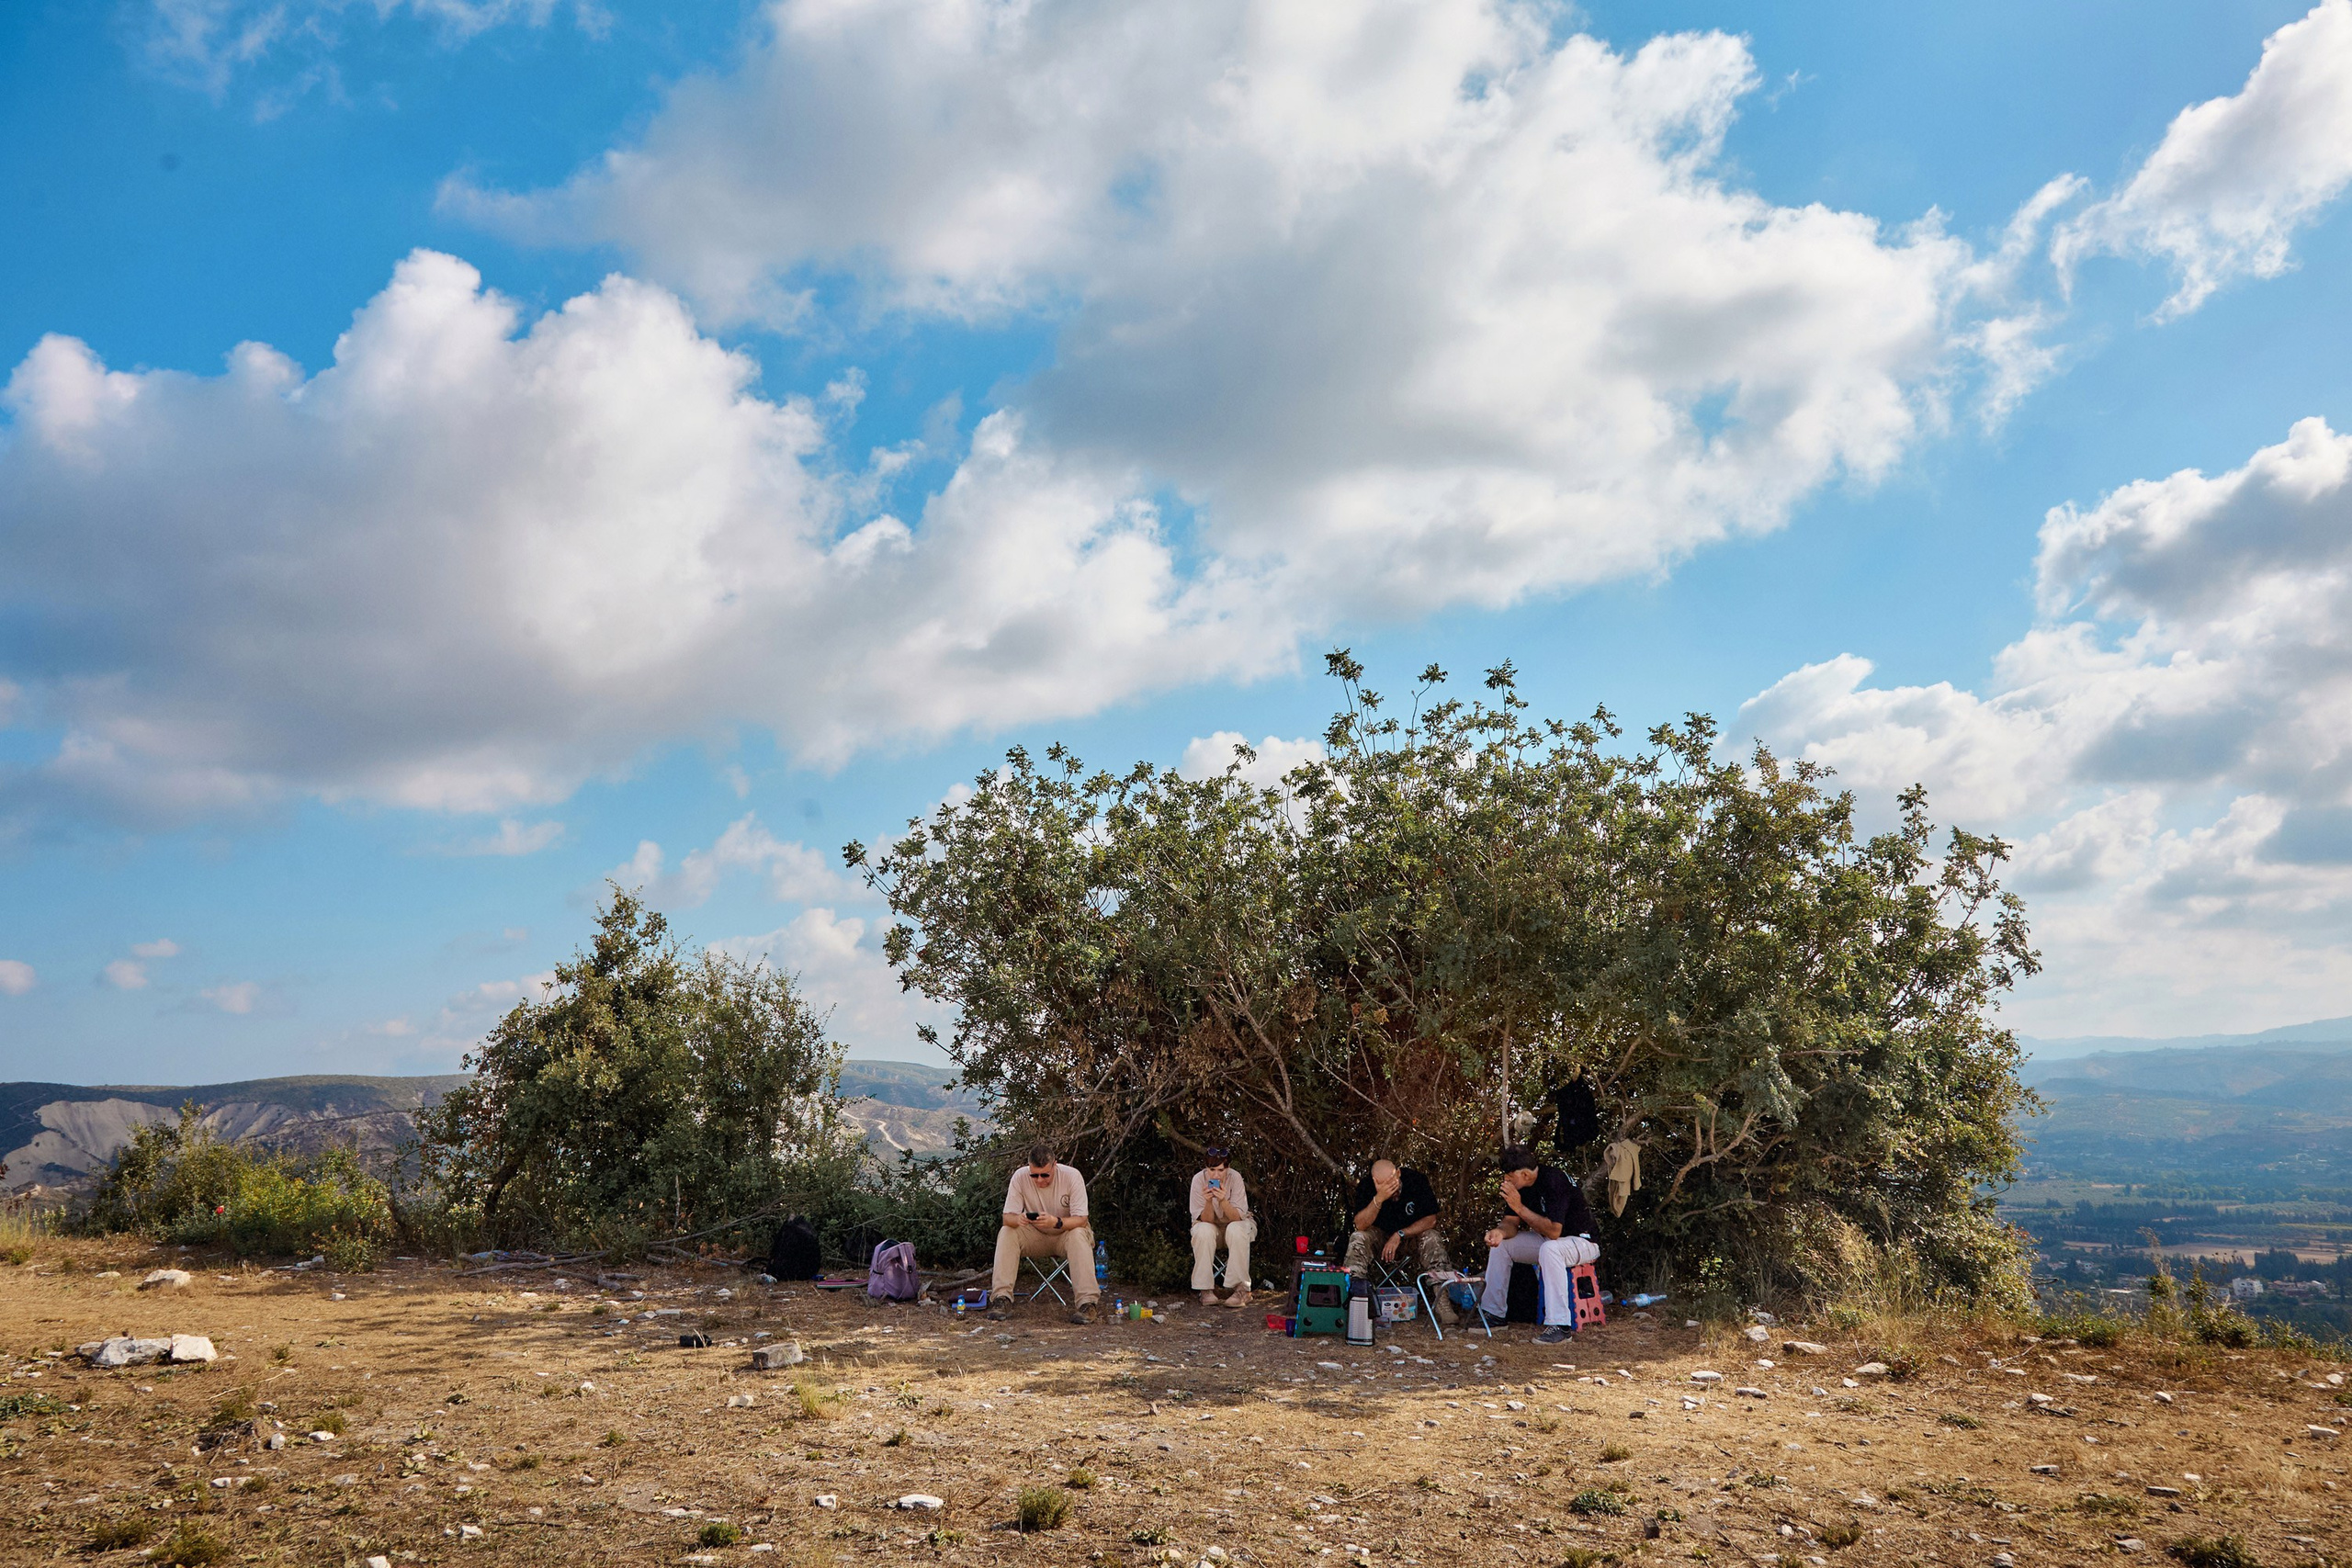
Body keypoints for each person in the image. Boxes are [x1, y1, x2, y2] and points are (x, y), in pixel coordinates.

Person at [1480, 1144, 1600, 1345]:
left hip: (1582, 1240)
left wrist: (1519, 1207)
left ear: (1525, 1174)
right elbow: (1511, 1223)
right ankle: (1494, 1315)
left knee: (1550, 1249)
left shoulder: (1554, 1180)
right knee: (1503, 1246)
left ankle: (1560, 1326)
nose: (1506, 1181)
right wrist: (1499, 1232)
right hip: (1550, 1243)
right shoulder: (1522, 1186)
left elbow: (1554, 1231)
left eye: (1510, 1177)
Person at [989, 1143, 1100, 1324]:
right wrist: (1019, 1219)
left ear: (1055, 1166)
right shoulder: (1020, 1177)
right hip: (1035, 1234)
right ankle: (1002, 1299)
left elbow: (1082, 1219)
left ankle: (1087, 1304)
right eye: (1035, 1175)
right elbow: (1007, 1218)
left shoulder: (1072, 1176)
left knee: (1079, 1234)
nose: (1040, 1180)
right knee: (1007, 1232)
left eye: (1045, 1175)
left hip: (1065, 1233)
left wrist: (1056, 1222)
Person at [1343, 1158, 1458, 1325]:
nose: (1392, 1189)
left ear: (1398, 1173)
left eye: (1393, 1182)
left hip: (1409, 1237)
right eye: (1385, 1185)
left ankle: (1443, 1303)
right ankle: (1355, 1302)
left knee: (1432, 1236)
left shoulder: (1416, 1180)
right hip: (1380, 1239)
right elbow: (1360, 1224)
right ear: (1375, 1181)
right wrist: (1379, 1198)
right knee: (1358, 1238)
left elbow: (1431, 1220)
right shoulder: (1366, 1186)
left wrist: (1400, 1234)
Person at [1188, 1148, 1257, 1308]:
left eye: (1221, 1170)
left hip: (1237, 1226)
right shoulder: (1198, 1180)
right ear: (1206, 1168)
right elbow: (1206, 1220)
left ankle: (1242, 1290)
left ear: (1228, 1168)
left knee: (1236, 1229)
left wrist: (1223, 1200)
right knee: (1202, 1230)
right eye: (1212, 1170)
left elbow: (1238, 1217)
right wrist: (1208, 1201)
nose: (1216, 1175)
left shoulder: (1235, 1177)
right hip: (1213, 1229)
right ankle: (1205, 1289)